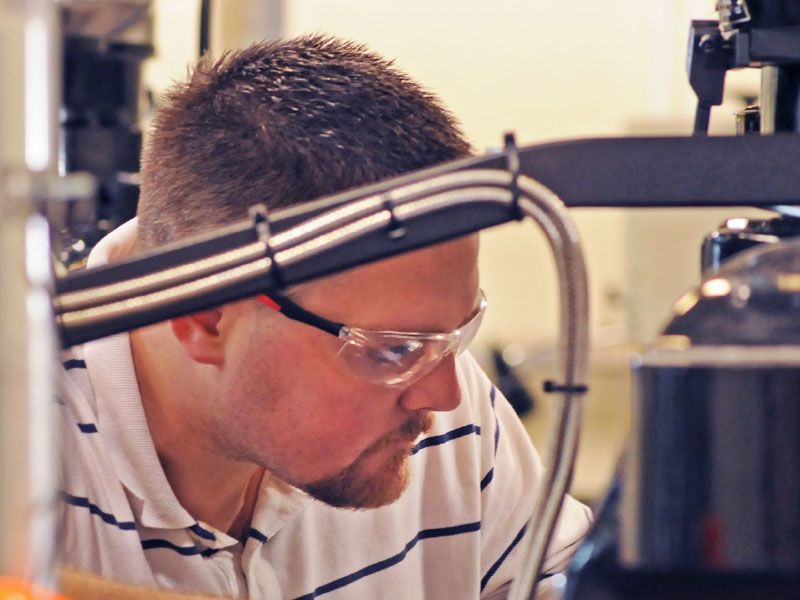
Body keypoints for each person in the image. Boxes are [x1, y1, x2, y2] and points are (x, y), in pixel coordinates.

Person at [58, 34, 591, 599]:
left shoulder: (449, 427)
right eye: (393, 349)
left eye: (454, 337)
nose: (445, 397)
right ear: (205, 315)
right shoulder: (31, 450)